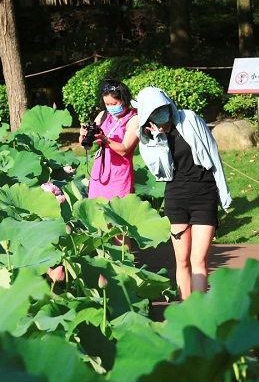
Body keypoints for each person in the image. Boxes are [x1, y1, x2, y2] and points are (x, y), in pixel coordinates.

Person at [132, 86, 232, 300]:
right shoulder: (147, 140)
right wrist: (159, 141)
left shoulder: (190, 119)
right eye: (155, 111)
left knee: (198, 260)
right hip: (176, 198)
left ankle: (198, 311)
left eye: (163, 107)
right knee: (182, 261)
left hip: (204, 194)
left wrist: (223, 193)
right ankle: (186, 310)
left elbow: (213, 153)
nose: (161, 112)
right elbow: (162, 171)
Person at [79, 78, 139, 247]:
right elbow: (88, 144)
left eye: (114, 103)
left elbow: (125, 149)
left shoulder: (134, 119)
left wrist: (105, 139)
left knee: (118, 223)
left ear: (124, 100)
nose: (111, 107)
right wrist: (85, 134)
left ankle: (123, 265)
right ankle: (103, 264)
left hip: (119, 175)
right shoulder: (103, 115)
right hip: (100, 173)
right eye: (107, 104)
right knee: (98, 220)